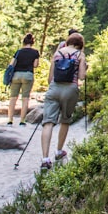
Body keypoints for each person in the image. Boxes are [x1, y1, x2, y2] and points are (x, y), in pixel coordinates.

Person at [40, 31, 87, 170]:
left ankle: (45, 158)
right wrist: (84, 67)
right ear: (80, 44)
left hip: (54, 88)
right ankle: (59, 151)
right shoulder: (80, 55)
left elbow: (49, 79)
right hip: (70, 90)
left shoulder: (58, 53)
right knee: (65, 120)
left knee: (48, 123)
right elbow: (82, 77)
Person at [7, 33, 40, 125]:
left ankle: (10, 119)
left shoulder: (18, 52)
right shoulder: (35, 52)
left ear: (24, 42)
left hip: (16, 75)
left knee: (13, 98)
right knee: (25, 98)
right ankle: (22, 120)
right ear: (32, 42)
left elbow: (11, 64)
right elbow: (35, 65)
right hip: (28, 75)